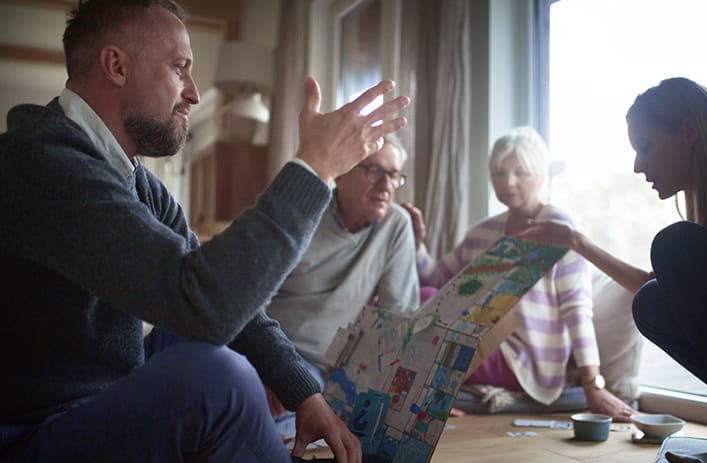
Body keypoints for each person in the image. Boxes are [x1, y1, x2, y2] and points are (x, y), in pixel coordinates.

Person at [0, 0, 410, 462]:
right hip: (31, 434)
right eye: (180, 68)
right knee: (217, 377)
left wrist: (303, 393)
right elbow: (204, 303)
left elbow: (229, 303)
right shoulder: (41, 165)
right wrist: (314, 170)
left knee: (209, 342)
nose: (194, 92)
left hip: (96, 402)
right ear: (116, 65)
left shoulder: (136, 182)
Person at [519, 77, 707, 463]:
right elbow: (670, 293)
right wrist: (577, 242)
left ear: (689, 131)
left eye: (645, 147)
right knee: (653, 303)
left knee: (674, 246)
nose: (637, 165)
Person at [401, 126, 639, 422]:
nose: (508, 182)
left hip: (528, 360)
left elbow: (576, 310)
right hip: (478, 341)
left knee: (424, 313)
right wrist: (416, 243)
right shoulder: (482, 232)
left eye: (520, 172)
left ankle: (424, 393)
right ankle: (426, 392)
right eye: (500, 173)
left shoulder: (559, 229)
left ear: (539, 174)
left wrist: (593, 385)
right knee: (420, 298)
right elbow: (436, 280)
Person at [265, 132, 419, 438]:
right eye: (374, 170)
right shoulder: (302, 211)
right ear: (343, 174)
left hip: (320, 368)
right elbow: (250, 300)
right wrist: (270, 366)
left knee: (285, 416)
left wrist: (411, 398)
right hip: (268, 350)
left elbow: (398, 320)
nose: (386, 185)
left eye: (393, 174)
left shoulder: (396, 225)